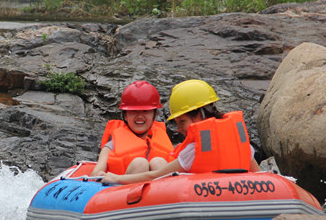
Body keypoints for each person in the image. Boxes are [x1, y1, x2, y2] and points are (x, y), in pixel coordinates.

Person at [101, 79, 260, 184]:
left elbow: (155, 176)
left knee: (157, 162)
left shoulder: (193, 150)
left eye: (182, 122)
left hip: (208, 199)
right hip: (226, 197)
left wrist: (116, 178)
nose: (178, 129)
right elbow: (259, 175)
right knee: (147, 163)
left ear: (199, 114)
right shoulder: (240, 141)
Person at [90, 81, 174, 177]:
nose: (139, 116)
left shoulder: (162, 139)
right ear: (125, 116)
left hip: (158, 189)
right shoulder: (110, 146)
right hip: (122, 189)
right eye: (133, 111)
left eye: (145, 111)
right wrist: (101, 176)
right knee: (140, 164)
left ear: (155, 115)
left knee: (159, 162)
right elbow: (95, 174)